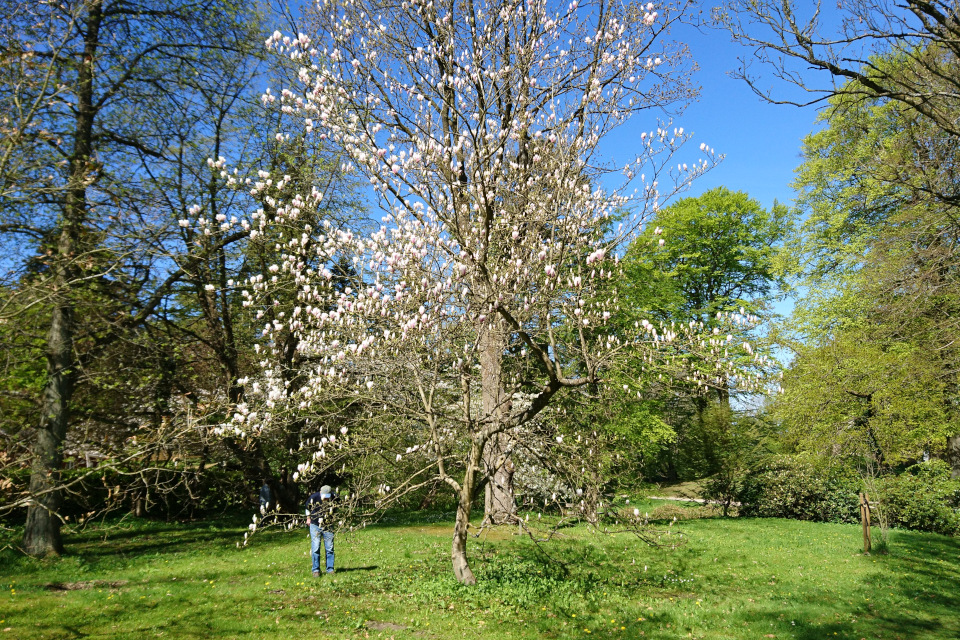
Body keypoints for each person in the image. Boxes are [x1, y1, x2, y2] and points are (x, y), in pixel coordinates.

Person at [305, 484, 337, 576]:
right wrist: (308, 518)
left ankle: (330, 569)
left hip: (328, 525)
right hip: (315, 524)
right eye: (324, 497)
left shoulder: (334, 497)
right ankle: (316, 570)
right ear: (320, 493)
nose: (325, 499)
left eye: (327, 497)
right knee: (315, 547)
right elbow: (307, 508)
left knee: (329, 548)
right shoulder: (314, 497)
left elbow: (338, 506)